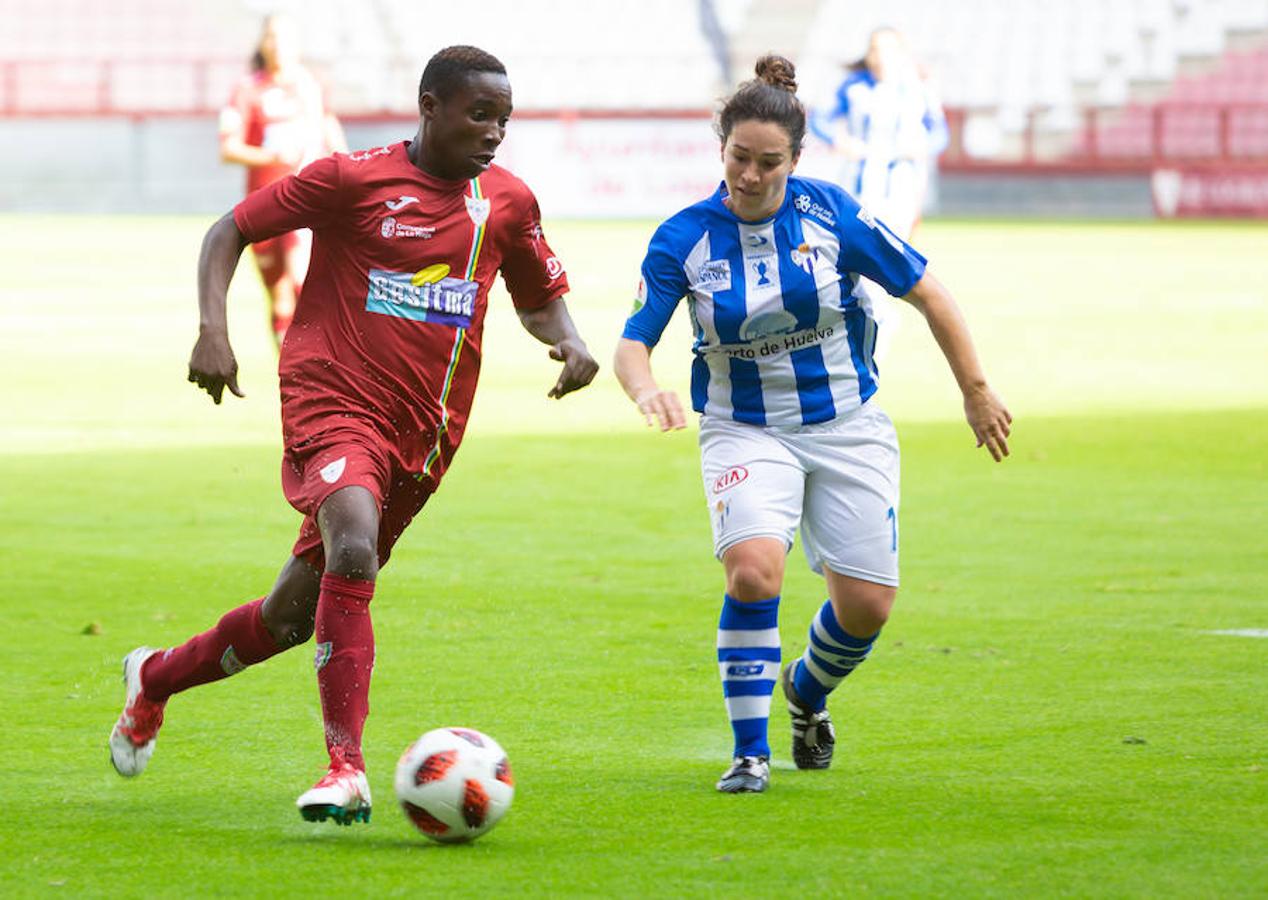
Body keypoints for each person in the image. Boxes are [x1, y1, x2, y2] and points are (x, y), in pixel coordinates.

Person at [109, 46, 599, 825]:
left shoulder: (506, 202)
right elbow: (228, 229)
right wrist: (213, 331)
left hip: (425, 434)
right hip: (330, 398)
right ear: (430, 105)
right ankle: (346, 768)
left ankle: (156, 678)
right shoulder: (350, 178)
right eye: (480, 113)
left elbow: (538, 294)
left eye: (504, 117)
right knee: (354, 547)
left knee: (290, 617)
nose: (495, 131)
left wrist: (568, 340)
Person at [614, 55, 1010, 794]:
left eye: (770, 163)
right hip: (744, 428)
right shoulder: (682, 238)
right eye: (739, 158)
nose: (751, 176)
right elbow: (634, 342)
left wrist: (976, 391)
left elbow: (930, 292)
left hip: (847, 425)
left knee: (865, 607)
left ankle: (806, 692)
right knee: (753, 570)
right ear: (721, 147)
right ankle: (749, 752)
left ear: (797, 160)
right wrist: (645, 391)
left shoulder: (834, 214)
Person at [809, 27, 949, 361]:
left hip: (900, 192)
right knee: (857, 260)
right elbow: (819, 120)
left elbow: (939, 134)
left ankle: (876, 326)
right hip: (860, 191)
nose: (879, 56)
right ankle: (872, 326)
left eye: (886, 50)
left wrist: (920, 148)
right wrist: (839, 141)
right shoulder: (854, 87)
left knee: (886, 260)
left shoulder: (918, 89)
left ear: (900, 54)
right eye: (874, 49)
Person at [219, 14, 347, 346]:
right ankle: (289, 372)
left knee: (300, 278)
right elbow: (228, 149)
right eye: (272, 37)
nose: (279, 45)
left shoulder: (310, 88)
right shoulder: (248, 91)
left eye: (286, 38)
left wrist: (348, 172)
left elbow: (330, 132)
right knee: (278, 294)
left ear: (298, 45)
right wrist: (271, 158)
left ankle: (320, 360)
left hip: (305, 201)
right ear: (263, 43)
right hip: (262, 205)